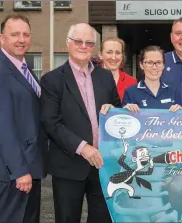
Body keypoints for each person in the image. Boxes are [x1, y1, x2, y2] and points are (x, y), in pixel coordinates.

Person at [40, 23, 121, 223]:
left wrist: (119, 110)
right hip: (69, 164)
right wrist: (83, 148)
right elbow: (50, 122)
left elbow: (117, 110)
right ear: (68, 43)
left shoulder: (105, 76)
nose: (83, 46)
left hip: (102, 165)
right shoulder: (52, 80)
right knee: (68, 218)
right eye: (78, 41)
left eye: (89, 42)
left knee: (103, 218)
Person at [0, 14, 46, 223]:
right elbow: (2, 128)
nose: (21, 39)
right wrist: (19, 171)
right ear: (2, 38)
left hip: (29, 166)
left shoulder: (25, 70)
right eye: (14, 34)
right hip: (14, 172)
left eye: (25, 34)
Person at [123, 46, 181, 112]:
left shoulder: (173, 92)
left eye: (158, 62)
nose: (154, 67)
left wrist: (180, 111)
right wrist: (125, 110)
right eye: (149, 63)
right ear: (141, 65)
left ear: (163, 65)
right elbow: (124, 119)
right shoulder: (130, 92)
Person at [98, 37, 137, 101]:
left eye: (118, 53)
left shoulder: (131, 82)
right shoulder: (91, 79)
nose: (113, 57)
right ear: (100, 55)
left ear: (122, 56)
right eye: (109, 52)